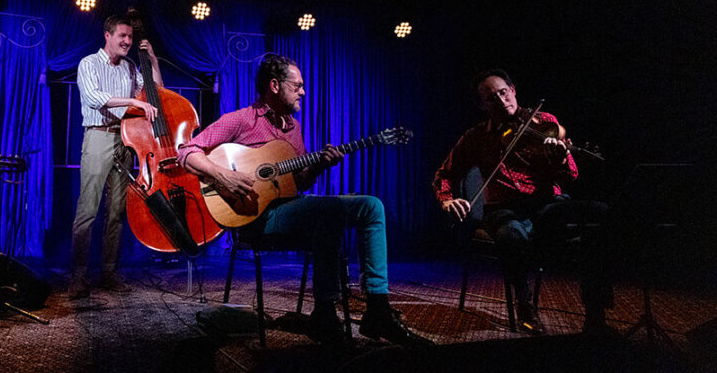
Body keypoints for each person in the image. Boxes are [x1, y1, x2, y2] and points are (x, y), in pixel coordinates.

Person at [177, 53, 432, 347]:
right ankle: (325, 311)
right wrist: (224, 176)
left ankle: (377, 307)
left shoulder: (293, 128)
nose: (304, 92)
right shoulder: (240, 120)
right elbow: (187, 152)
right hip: (254, 218)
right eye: (297, 86)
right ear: (274, 85)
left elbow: (295, 183)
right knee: (331, 209)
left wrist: (320, 166)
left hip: (288, 209)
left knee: (371, 206)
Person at [433, 69, 612, 335]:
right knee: (510, 235)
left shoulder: (544, 122)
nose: (501, 101)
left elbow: (571, 175)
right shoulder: (476, 137)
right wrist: (447, 199)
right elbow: (445, 173)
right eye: (491, 98)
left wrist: (559, 158)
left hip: (548, 205)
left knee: (599, 215)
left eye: (503, 92)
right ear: (483, 105)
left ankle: (596, 317)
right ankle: (525, 305)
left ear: (513, 90)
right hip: (504, 210)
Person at [68, 14, 162, 299]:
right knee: (88, 210)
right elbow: (94, 97)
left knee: (117, 211)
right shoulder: (89, 63)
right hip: (98, 135)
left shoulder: (132, 67)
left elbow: (155, 91)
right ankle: (78, 276)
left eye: (130, 37)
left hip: (125, 139)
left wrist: (153, 60)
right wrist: (131, 101)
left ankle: (109, 273)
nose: (127, 41)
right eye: (122, 35)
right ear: (107, 35)